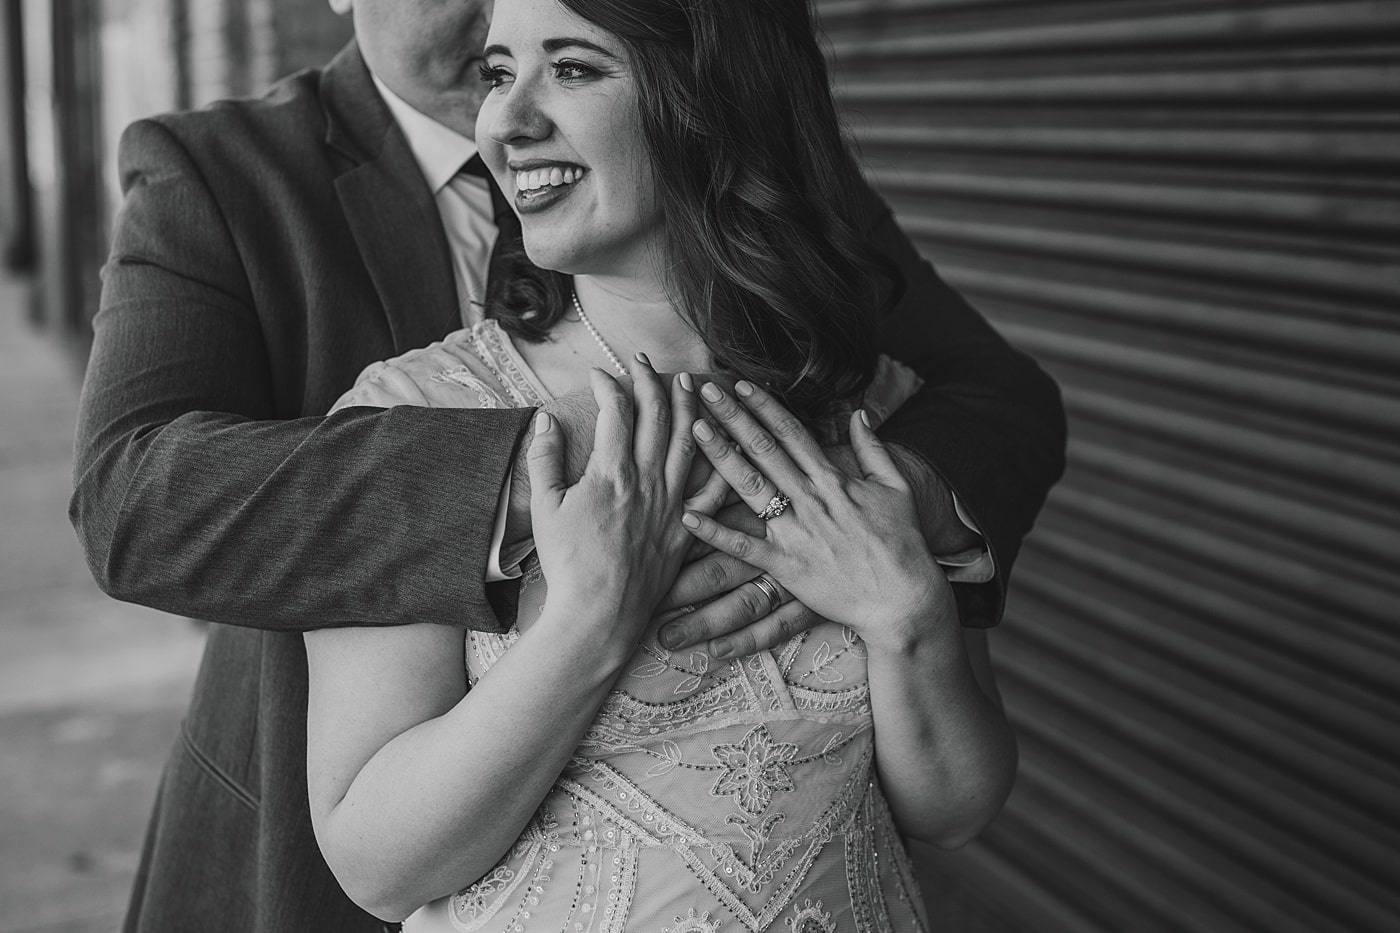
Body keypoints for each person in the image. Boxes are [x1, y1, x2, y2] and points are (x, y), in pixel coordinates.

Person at [69, 0, 1063, 930]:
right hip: (334, 842)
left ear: (705, 110)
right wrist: (589, 471)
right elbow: (131, 495)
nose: (509, 114)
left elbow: (993, 394)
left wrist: (889, 540)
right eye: (503, 71)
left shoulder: (838, 357)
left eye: (573, 67)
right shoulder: (223, 178)